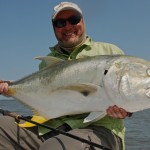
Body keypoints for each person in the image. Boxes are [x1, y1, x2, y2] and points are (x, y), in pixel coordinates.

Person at [0, 2, 131, 150]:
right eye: (60, 23)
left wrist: (127, 110)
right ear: (54, 27)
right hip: (52, 127)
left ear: (82, 21)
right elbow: (37, 91)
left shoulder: (110, 51)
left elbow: (128, 92)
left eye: (74, 19)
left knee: (55, 147)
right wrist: (10, 88)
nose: (68, 27)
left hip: (100, 130)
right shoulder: (48, 62)